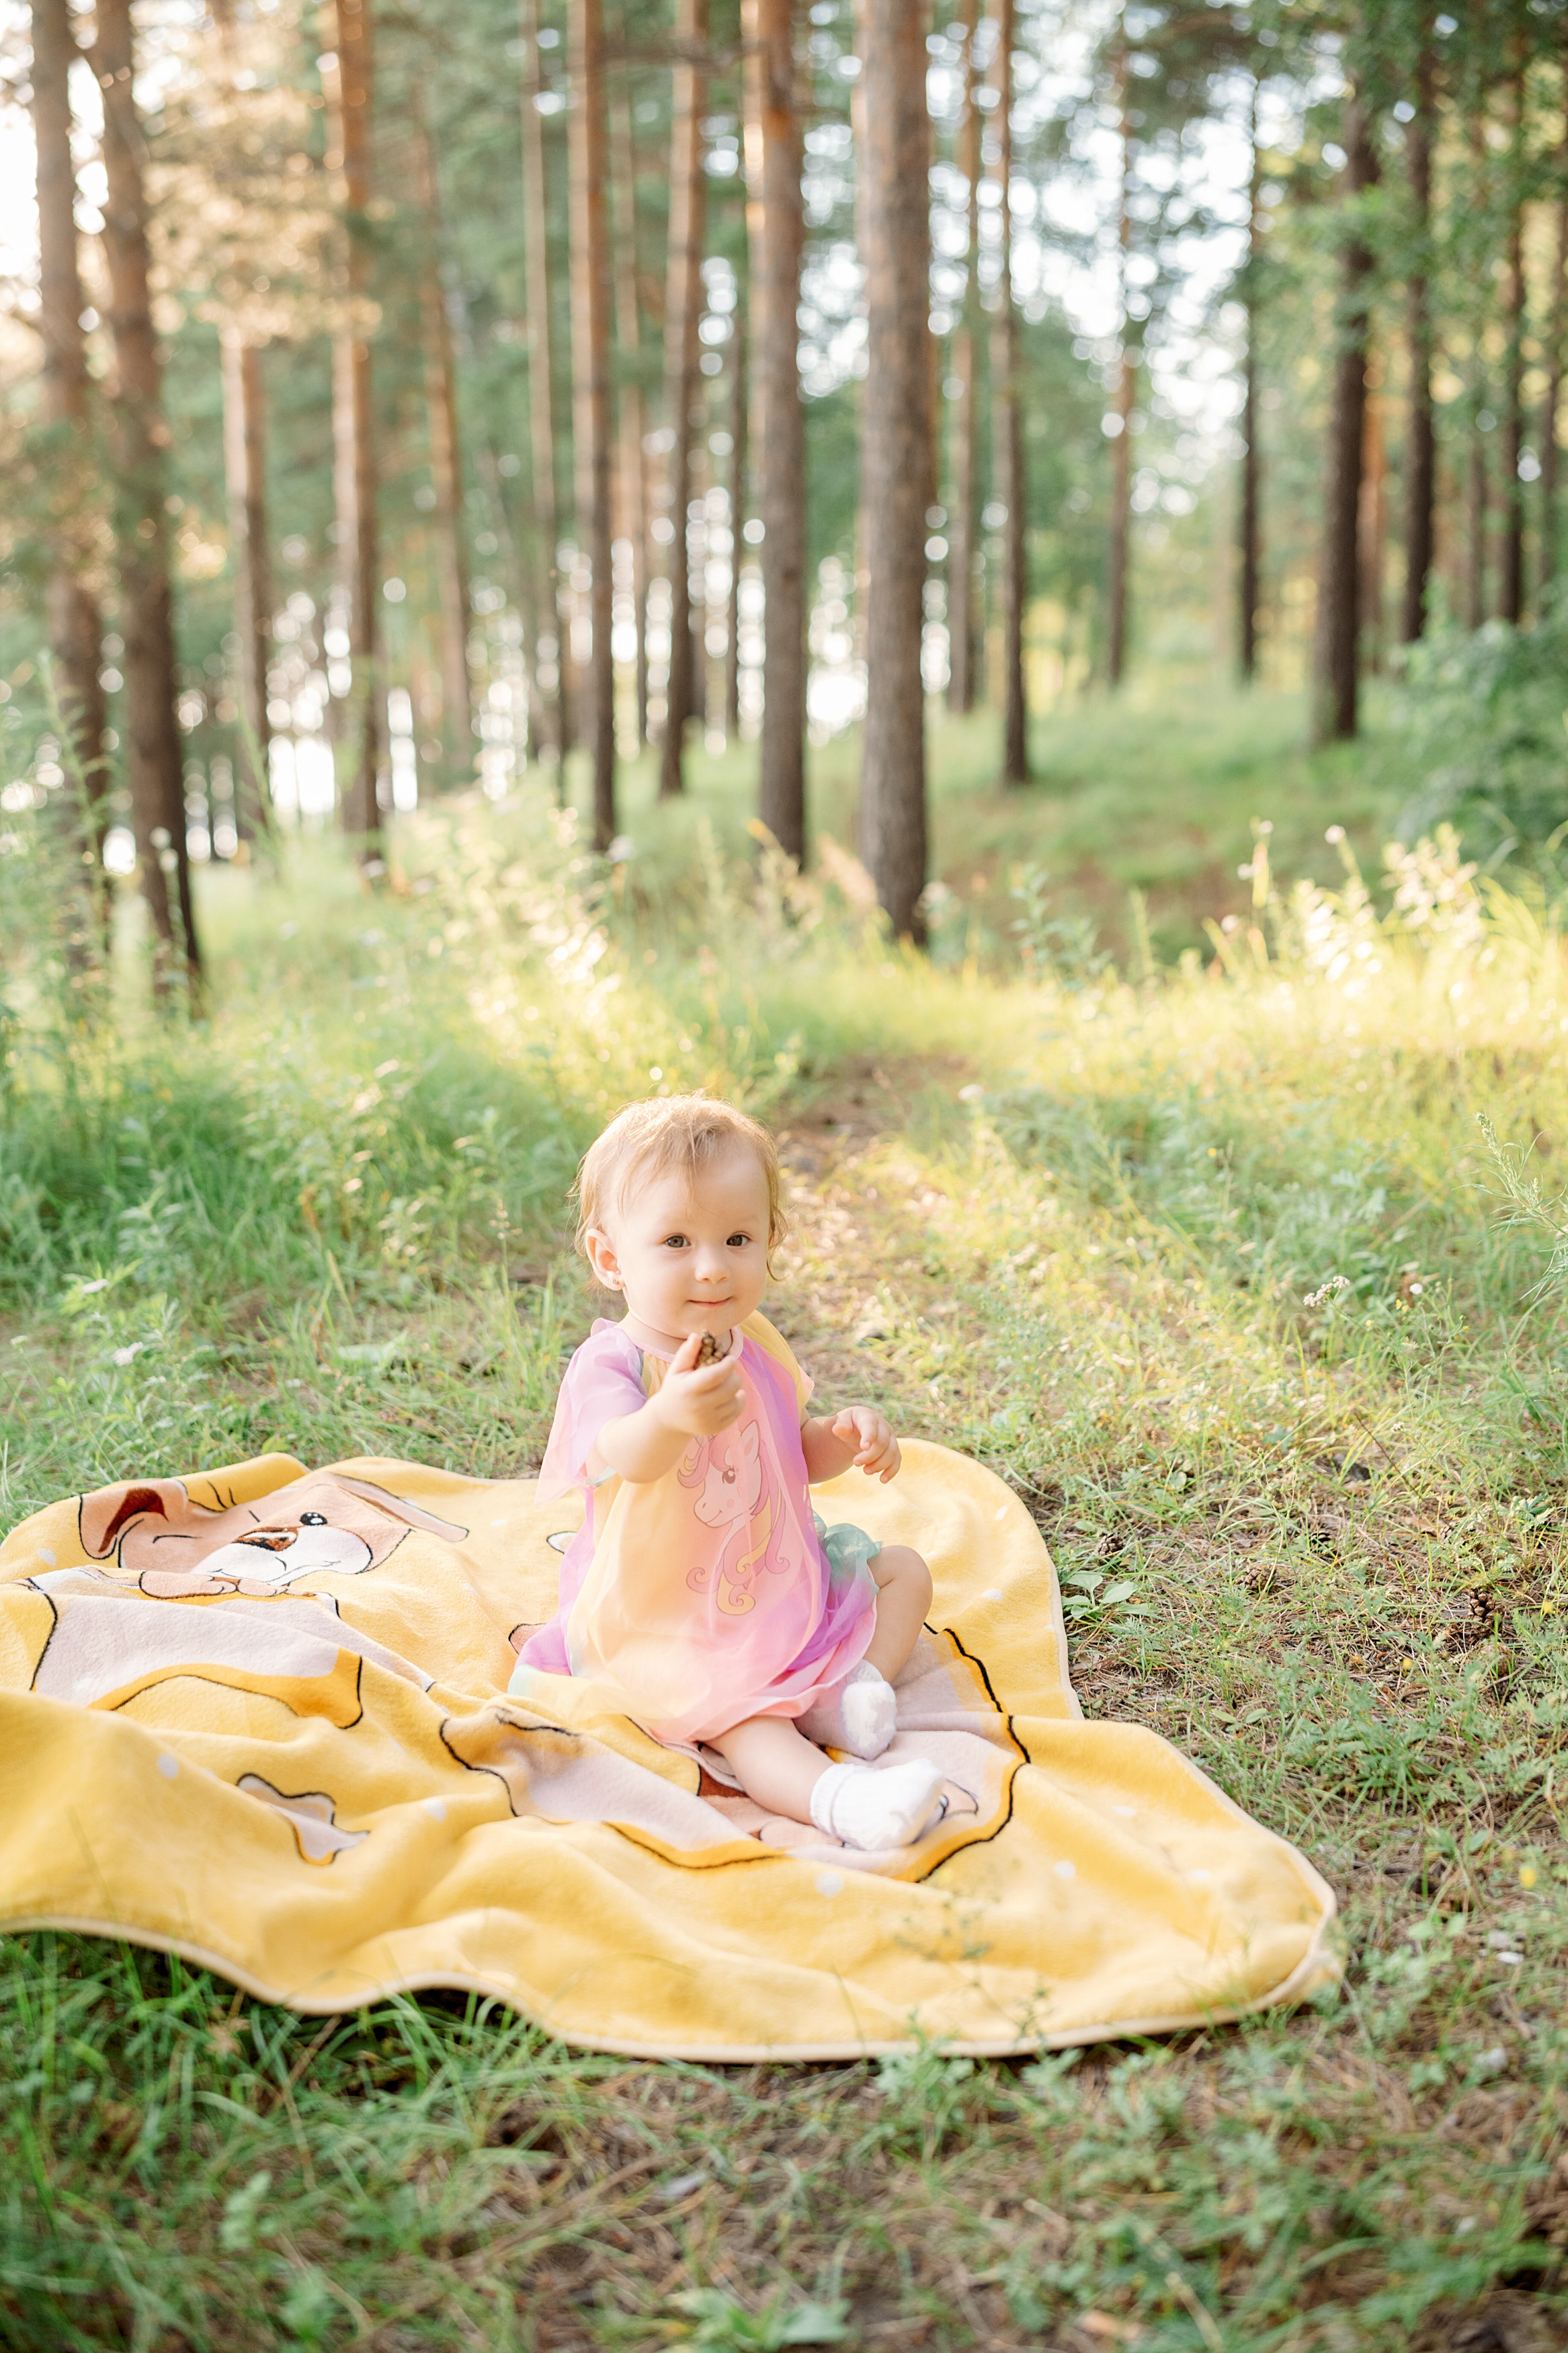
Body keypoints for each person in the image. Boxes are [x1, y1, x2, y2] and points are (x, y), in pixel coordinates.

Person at [512, 1094, 948, 1851]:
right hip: (669, 1615)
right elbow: (625, 1456)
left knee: (905, 1571)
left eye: (736, 1237)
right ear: (611, 1257)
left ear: (769, 1239)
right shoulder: (612, 1365)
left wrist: (842, 1436)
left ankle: (851, 1692)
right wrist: (670, 1414)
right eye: (676, 1240)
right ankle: (841, 1800)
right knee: (747, 1723)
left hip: (773, 1576)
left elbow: (790, 1456)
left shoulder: (756, 1344)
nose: (711, 1267)